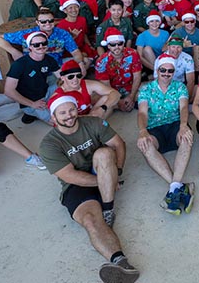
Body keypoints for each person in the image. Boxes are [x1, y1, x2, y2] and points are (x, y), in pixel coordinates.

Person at [39, 95, 139, 283]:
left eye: (71, 110)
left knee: (104, 153)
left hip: (103, 168)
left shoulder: (93, 122)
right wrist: (106, 181)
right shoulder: (49, 144)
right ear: (53, 118)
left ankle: (108, 210)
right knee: (91, 221)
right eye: (62, 113)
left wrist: (115, 172)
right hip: (76, 186)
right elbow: (69, 176)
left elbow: (119, 144)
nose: (68, 116)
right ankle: (123, 265)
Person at [136, 54, 195, 215]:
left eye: (170, 71)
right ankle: (179, 187)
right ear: (157, 70)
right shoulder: (146, 89)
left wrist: (184, 125)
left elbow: (183, 108)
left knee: (187, 137)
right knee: (145, 145)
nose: (166, 73)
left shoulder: (179, 87)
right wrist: (142, 131)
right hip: (155, 128)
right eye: (163, 70)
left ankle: (174, 188)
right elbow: (142, 113)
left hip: (175, 124)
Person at [0, 8, 87, 68]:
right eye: (43, 22)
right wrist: (14, 51)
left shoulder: (62, 34)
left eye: (50, 21)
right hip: (34, 68)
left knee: (85, 61)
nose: (47, 24)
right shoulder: (28, 34)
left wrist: (81, 64)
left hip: (57, 65)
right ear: (37, 22)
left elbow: (75, 52)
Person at [3, 31, 60, 124]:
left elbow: (63, 77)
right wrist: (32, 104)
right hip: (31, 101)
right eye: (36, 45)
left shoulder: (49, 59)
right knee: (56, 122)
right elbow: (8, 91)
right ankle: (30, 112)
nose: (41, 46)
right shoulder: (19, 65)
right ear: (30, 47)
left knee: (66, 84)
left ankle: (36, 112)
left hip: (46, 93)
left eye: (44, 43)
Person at [95, 28, 142, 112]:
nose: (117, 47)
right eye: (113, 45)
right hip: (112, 91)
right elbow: (106, 86)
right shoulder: (101, 61)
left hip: (130, 88)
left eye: (119, 44)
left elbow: (137, 77)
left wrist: (131, 96)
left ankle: (127, 103)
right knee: (99, 99)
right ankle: (123, 104)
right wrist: (119, 101)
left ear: (123, 43)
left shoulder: (133, 53)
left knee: (147, 91)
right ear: (108, 46)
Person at [56, 60, 120, 119]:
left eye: (78, 76)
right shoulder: (60, 95)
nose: (75, 79)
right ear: (62, 78)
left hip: (89, 114)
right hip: (75, 122)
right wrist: (90, 116)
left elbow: (116, 93)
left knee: (107, 98)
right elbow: (67, 119)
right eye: (70, 77)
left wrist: (103, 108)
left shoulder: (87, 84)